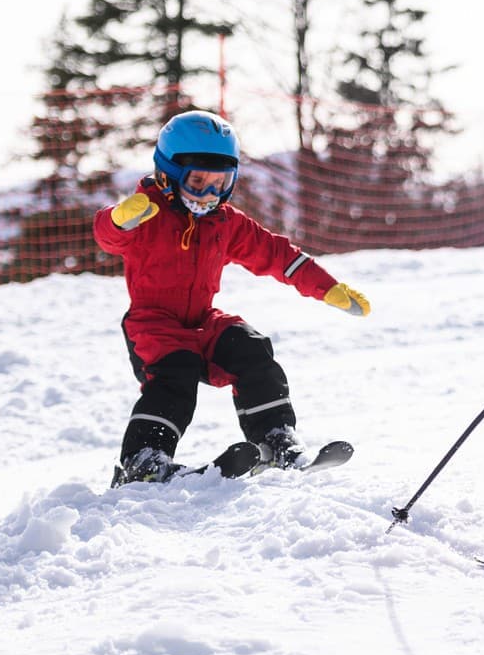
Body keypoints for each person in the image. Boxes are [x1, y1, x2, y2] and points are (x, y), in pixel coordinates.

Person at [95, 110, 371, 486]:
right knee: (176, 372)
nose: (208, 195)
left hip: (202, 321)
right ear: (168, 174)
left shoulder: (225, 222)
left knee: (250, 348)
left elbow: (278, 255)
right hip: (153, 324)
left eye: (219, 184)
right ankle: (142, 460)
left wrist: (327, 287)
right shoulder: (148, 213)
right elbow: (109, 237)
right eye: (198, 182)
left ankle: (276, 440)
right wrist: (118, 220)